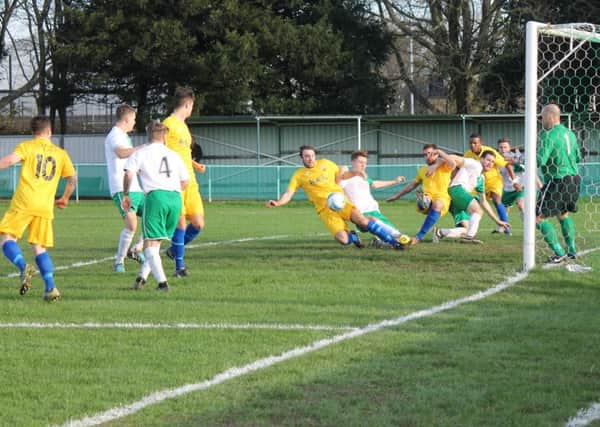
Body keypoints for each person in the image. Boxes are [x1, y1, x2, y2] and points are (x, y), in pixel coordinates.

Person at [266, 145, 407, 249]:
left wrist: (355, 173)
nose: (310, 158)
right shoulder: (299, 175)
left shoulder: (326, 163)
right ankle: (353, 236)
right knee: (344, 240)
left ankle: (394, 243)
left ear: (315, 155)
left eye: (312, 155)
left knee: (363, 221)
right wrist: (278, 202)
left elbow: (343, 176)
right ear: (301, 157)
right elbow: (289, 193)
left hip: (341, 201)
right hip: (325, 210)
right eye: (307, 156)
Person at [0, 116, 77, 301]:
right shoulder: (60, 153)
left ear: (33, 132)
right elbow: (72, 178)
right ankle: (51, 289)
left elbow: (10, 161)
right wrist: (65, 198)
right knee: (39, 248)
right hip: (44, 206)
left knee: (5, 238)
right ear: (49, 132)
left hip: (24, 202)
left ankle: (22, 266)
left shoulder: (27, 146)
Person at [122, 121, 190, 291]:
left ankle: (162, 283)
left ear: (148, 135)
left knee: (150, 243)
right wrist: (171, 191)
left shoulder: (142, 153)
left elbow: (129, 173)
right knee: (156, 242)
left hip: (156, 197)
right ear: (165, 136)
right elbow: (185, 181)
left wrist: (125, 193)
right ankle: (142, 278)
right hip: (175, 198)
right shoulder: (174, 155)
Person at [162, 86, 206, 277]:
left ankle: (173, 250)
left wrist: (195, 165)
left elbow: (183, 154)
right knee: (180, 224)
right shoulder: (168, 124)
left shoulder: (184, 126)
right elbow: (161, 151)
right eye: (191, 106)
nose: (192, 110)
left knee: (198, 223)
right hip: (175, 182)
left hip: (191, 181)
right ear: (187, 104)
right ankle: (179, 267)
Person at [536, 104, 582, 263]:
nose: (541, 120)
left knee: (538, 218)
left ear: (550, 116)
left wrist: (519, 160)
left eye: (542, 117)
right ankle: (572, 250)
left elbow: (540, 160)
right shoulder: (570, 134)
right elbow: (578, 157)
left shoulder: (547, 135)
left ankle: (559, 252)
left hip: (557, 179)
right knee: (563, 215)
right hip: (574, 179)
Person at [434, 150, 510, 243]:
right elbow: (454, 158)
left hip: (458, 198)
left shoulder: (481, 178)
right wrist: (437, 160)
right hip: (456, 190)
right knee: (478, 211)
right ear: (481, 159)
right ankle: (469, 238)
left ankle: (439, 232)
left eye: (493, 162)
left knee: (466, 229)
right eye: (488, 160)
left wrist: (498, 221)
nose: (490, 163)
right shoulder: (474, 164)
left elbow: (484, 201)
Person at [104, 104, 146, 273]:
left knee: (156, 215)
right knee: (132, 225)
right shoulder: (114, 135)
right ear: (127, 119)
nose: (134, 123)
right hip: (121, 187)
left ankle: (136, 249)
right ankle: (119, 262)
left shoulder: (124, 136)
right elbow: (121, 153)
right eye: (134, 119)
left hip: (135, 186)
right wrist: (142, 148)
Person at [387, 144, 456, 244]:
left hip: (442, 199)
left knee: (437, 204)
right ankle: (423, 202)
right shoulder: (423, 170)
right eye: (425, 154)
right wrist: (396, 196)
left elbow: (453, 163)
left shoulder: (445, 166)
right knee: (424, 196)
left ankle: (418, 237)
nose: (427, 156)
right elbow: (411, 185)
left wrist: (439, 152)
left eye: (430, 153)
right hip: (428, 197)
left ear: (436, 154)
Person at [338, 150, 410, 247]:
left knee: (394, 238)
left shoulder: (364, 177)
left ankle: (380, 242)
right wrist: (343, 169)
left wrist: (394, 181)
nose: (363, 165)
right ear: (352, 162)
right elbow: (339, 183)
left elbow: (375, 184)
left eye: (365, 163)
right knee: (392, 233)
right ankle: (395, 237)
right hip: (359, 214)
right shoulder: (345, 176)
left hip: (374, 210)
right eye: (360, 162)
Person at [464, 133, 519, 235]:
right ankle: (465, 226)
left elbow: (506, 164)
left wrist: (514, 181)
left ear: (481, 143)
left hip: (493, 181)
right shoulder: (467, 155)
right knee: (468, 201)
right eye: (471, 143)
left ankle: (506, 228)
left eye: (475, 143)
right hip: (478, 183)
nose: (473, 145)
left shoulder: (489, 152)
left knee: (496, 199)